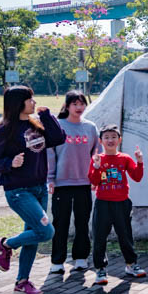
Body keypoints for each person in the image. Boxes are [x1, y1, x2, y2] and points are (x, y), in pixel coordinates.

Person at [0, 86, 66, 294]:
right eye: (30, 99)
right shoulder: (3, 130)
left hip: (39, 188)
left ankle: (22, 283)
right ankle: (6, 244)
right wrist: (10, 162)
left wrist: (46, 116)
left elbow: (58, 138)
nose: (34, 102)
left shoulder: (35, 125)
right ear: (18, 103)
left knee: (34, 236)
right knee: (46, 232)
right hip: (19, 191)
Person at [47, 91, 99, 274]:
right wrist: (50, 179)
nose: (79, 108)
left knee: (82, 222)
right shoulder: (58, 127)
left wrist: (95, 177)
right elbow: (50, 155)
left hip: (84, 184)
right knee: (60, 223)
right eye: (75, 104)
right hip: (62, 184)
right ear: (67, 106)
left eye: (82, 103)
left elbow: (96, 155)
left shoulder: (91, 128)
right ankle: (57, 261)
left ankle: (81, 258)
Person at [89, 125, 145, 285]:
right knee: (99, 237)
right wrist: (97, 167)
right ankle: (100, 269)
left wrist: (139, 162)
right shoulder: (97, 159)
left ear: (119, 140)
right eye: (106, 137)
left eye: (114, 137)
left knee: (125, 235)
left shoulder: (125, 158)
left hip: (122, 203)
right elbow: (93, 181)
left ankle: (131, 264)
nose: (110, 140)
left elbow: (137, 177)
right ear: (101, 141)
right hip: (103, 204)